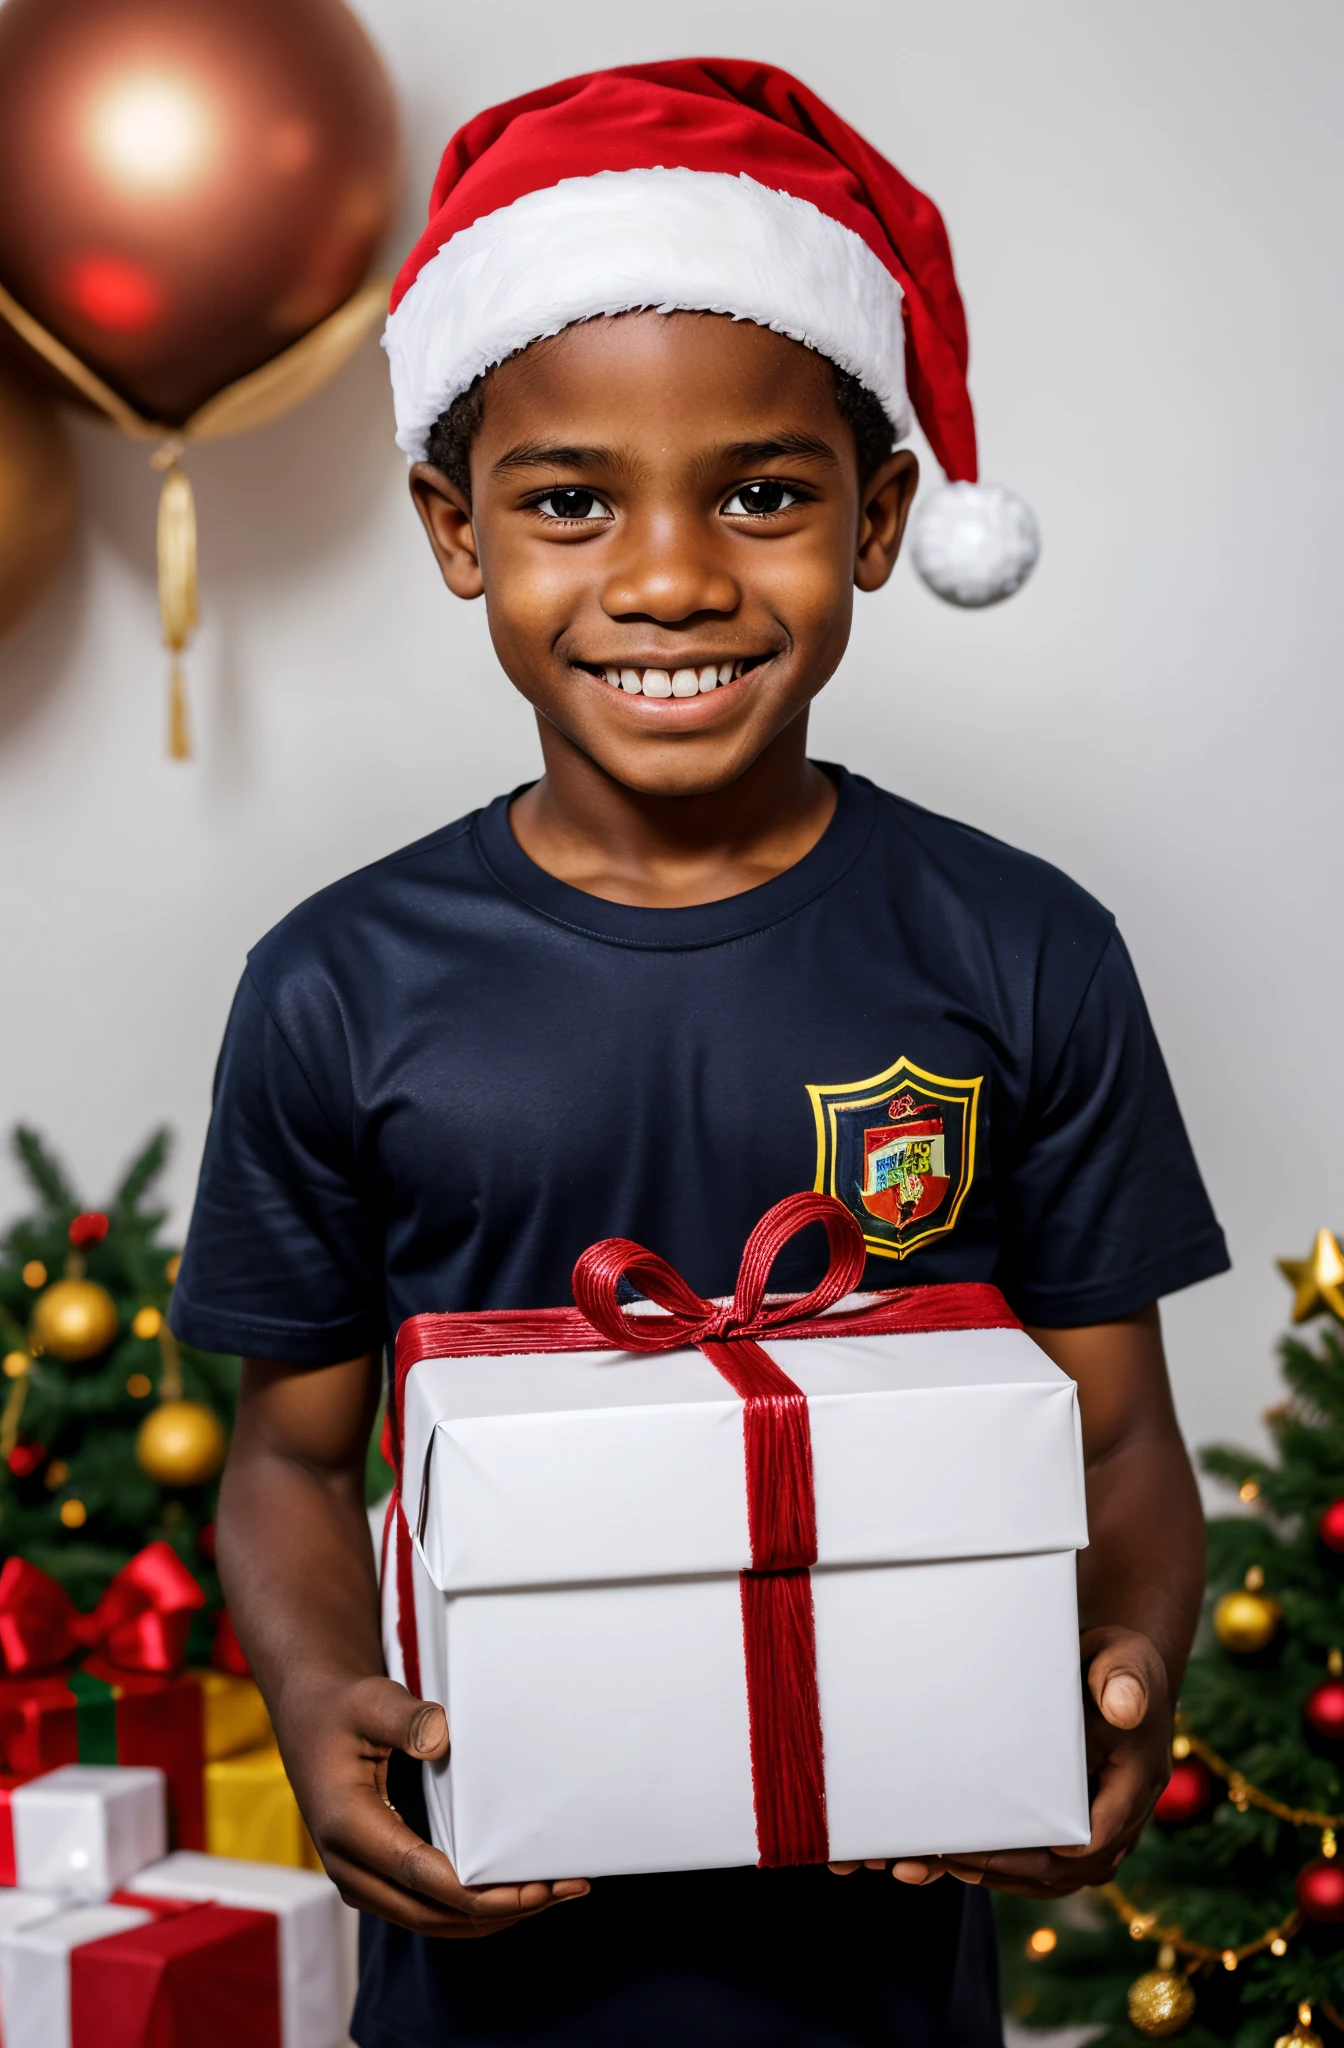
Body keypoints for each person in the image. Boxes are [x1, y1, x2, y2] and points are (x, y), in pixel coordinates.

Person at [170, 59, 1229, 2048]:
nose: (670, 577)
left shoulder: (1022, 951)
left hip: (885, 1984)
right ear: (454, 528)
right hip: (487, 1973)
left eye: (763, 492)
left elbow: (1115, 1434)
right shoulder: (336, 984)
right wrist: (323, 1713)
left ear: (886, 516)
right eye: (572, 500)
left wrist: (1131, 1665)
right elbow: (292, 1463)